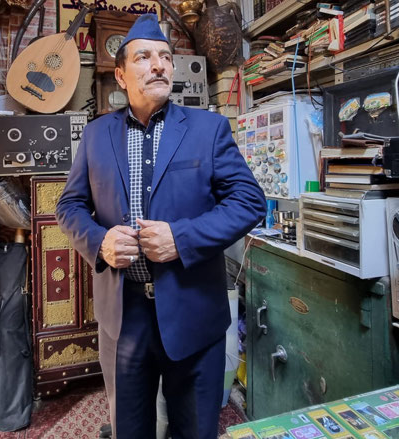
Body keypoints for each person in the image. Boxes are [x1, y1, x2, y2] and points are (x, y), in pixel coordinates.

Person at [56, 13, 266, 439]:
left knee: (195, 430)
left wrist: (181, 237)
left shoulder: (208, 129)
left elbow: (250, 202)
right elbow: (69, 206)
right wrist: (99, 242)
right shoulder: (96, 136)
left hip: (193, 310)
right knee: (130, 430)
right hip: (124, 315)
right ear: (120, 75)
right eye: (145, 57)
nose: (159, 65)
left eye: (166, 57)